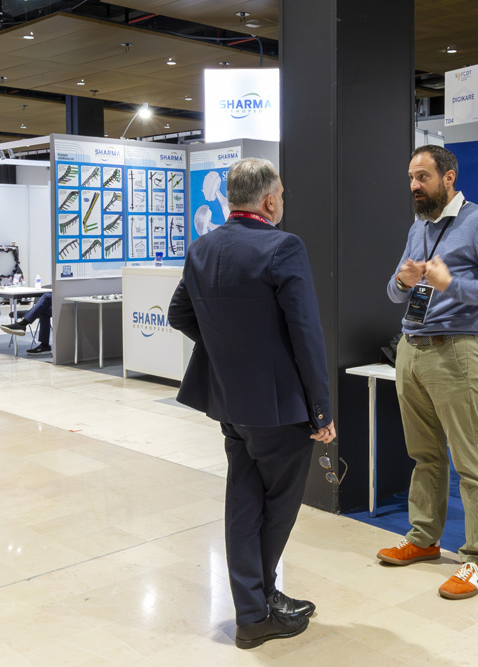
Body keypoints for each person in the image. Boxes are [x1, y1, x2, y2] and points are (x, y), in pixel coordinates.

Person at [167, 158, 336, 649]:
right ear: (269, 200)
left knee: (243, 501)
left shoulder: (201, 248)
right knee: (277, 508)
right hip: (281, 408)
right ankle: (256, 611)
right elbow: (306, 333)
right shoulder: (283, 246)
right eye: (281, 194)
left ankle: (255, 606)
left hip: (230, 403)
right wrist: (322, 410)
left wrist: (227, 350)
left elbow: (179, 312)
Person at [377, 145, 478, 600]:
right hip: (411, 349)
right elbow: (394, 293)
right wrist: (403, 281)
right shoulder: (417, 227)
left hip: (455, 350)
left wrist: (451, 284)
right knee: (424, 454)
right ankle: (423, 539)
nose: (414, 185)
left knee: (470, 459)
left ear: (449, 177)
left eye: (422, 176)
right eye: (410, 177)